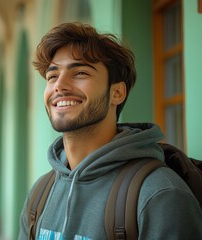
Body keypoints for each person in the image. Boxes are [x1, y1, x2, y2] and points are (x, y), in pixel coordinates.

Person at [18, 22, 202, 239]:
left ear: (117, 93)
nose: (59, 85)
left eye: (80, 72)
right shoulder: (41, 193)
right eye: (52, 76)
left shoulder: (159, 194)